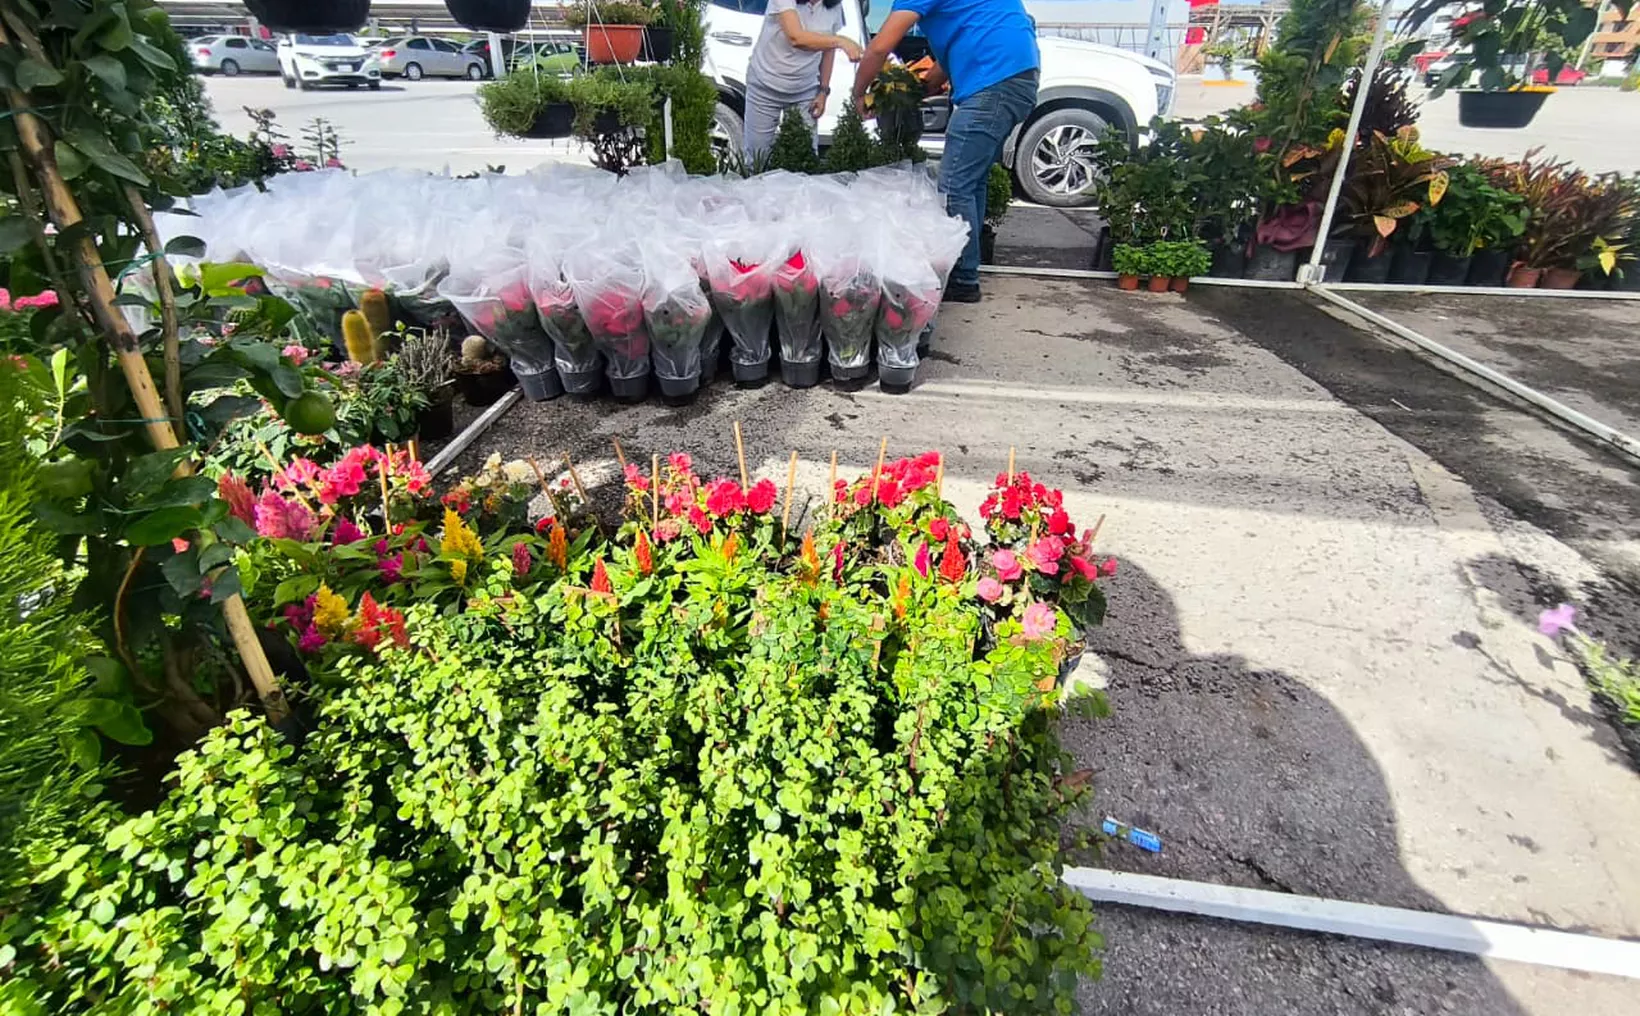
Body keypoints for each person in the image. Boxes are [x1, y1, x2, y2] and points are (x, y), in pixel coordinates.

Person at [853, 0, 1039, 302]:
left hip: (995, 80)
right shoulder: (966, 12)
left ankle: (963, 280)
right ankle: (966, 269)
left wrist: (859, 93)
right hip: (1014, 76)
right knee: (971, 182)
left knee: (953, 184)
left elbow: (879, 47)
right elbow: (946, 62)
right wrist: (913, 92)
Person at [744, 0, 864, 163]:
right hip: (765, 86)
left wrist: (823, 91)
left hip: (805, 91)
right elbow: (796, 37)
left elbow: (828, 51)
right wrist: (840, 41)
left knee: (805, 159)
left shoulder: (834, 7)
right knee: (757, 160)